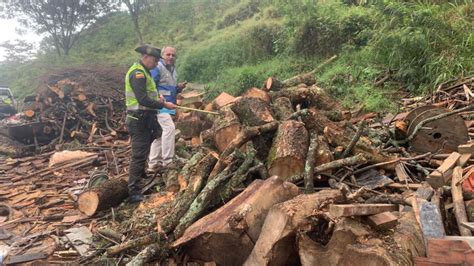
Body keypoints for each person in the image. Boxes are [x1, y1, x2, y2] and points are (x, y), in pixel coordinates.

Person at [125, 44, 176, 203]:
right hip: (137, 118)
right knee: (139, 155)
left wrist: (159, 99)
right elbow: (142, 99)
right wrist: (163, 105)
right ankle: (133, 191)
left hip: (145, 118)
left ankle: (141, 177)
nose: (155, 64)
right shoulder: (137, 74)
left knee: (146, 147)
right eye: (154, 60)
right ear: (145, 57)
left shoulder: (145, 72)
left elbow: (150, 95)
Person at [147, 46, 186, 171]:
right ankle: (167, 161)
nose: (170, 57)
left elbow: (169, 88)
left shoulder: (173, 70)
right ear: (162, 56)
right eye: (168, 54)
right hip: (159, 105)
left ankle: (153, 163)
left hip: (169, 105)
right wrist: (158, 99)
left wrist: (178, 88)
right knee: (169, 128)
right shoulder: (158, 67)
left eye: (173, 55)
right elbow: (151, 86)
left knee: (159, 133)